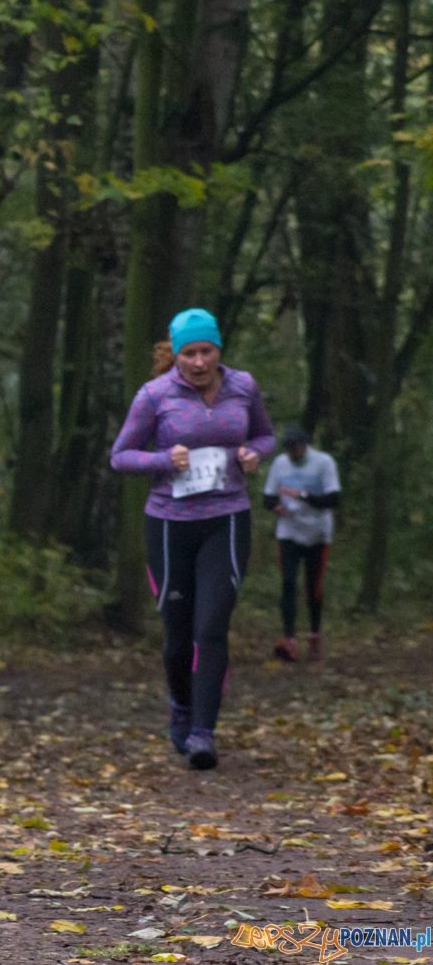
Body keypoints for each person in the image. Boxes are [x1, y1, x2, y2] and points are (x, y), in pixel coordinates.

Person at [111, 309, 276, 771]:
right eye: (189, 353)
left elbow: (266, 436)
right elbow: (121, 457)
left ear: (219, 350)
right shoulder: (154, 396)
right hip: (169, 524)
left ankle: (204, 732)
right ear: (175, 353)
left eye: (207, 351)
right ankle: (181, 708)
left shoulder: (243, 386)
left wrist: (251, 454)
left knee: (212, 627)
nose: (199, 362)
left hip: (227, 518)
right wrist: (164, 459)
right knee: (179, 638)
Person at [263, 426, 341, 662]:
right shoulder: (280, 464)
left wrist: (300, 495)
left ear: (305, 445)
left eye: (296, 447)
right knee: (288, 583)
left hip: (317, 533)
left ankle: (314, 637)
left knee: (313, 587)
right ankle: (289, 641)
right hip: (289, 531)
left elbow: (332, 499)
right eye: (288, 448)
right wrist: (275, 505)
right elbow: (267, 497)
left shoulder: (323, 463)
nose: (292, 453)